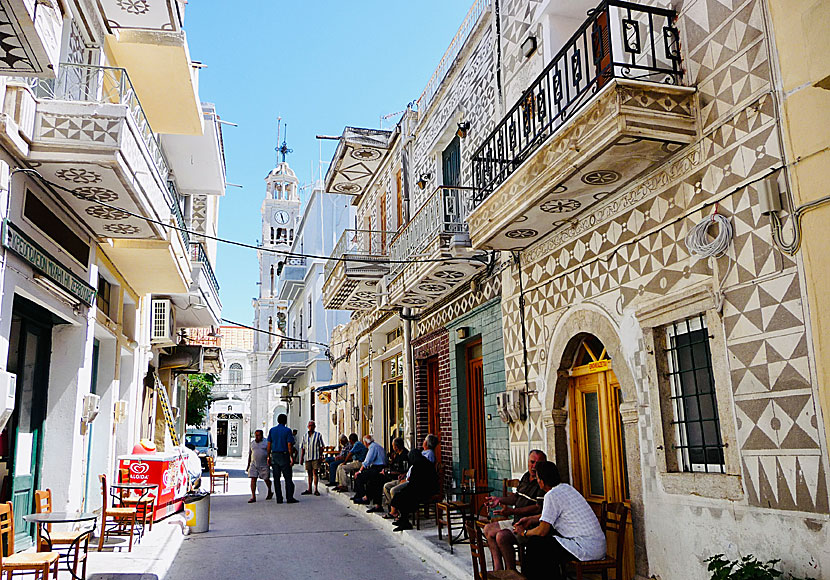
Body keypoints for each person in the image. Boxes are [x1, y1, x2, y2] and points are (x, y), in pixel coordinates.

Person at [514, 461, 606, 580]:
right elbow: (551, 514)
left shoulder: (551, 495)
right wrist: (531, 519)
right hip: (596, 545)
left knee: (536, 544)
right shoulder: (566, 488)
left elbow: (542, 531)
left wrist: (524, 533)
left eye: (537, 478)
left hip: (586, 547)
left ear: (541, 481)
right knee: (544, 546)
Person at [482, 449, 547, 570]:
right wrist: (499, 500)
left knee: (501, 537)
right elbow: (516, 497)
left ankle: (511, 571)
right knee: (488, 529)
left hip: (529, 524)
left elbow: (537, 508)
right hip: (516, 520)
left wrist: (512, 512)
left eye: (538, 463)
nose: (534, 466)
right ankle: (498, 569)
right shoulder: (526, 476)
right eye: (532, 462)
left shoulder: (542, 482)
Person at [386, 434, 439, 520]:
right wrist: (405, 475)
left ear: (427, 443)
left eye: (425, 440)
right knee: (387, 486)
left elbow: (421, 471)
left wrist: (407, 479)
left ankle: (399, 513)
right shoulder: (423, 453)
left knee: (394, 490)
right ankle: (394, 511)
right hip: (407, 478)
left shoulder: (428, 455)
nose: (423, 442)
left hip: (415, 482)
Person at [390, 448, 438, 531]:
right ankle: (403, 519)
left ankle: (405, 522)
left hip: (425, 491)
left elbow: (415, 482)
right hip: (423, 489)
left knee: (403, 497)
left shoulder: (418, 466)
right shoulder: (425, 463)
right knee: (401, 494)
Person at [365, 437, 408, 514]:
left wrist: (388, 472)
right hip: (391, 474)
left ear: (396, 446)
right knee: (373, 478)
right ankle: (377, 503)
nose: (393, 448)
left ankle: (386, 505)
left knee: (378, 480)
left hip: (397, 477)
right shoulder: (397, 455)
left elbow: (402, 471)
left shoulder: (404, 455)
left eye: (393, 446)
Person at [267, 414, 298, 504]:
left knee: (276, 479)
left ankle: (279, 498)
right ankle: (289, 497)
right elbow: (289, 445)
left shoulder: (272, 430)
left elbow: (269, 444)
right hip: (284, 456)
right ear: (285, 421)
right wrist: (291, 457)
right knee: (288, 478)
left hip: (275, 456)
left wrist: (268, 456)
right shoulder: (288, 431)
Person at [351, 435, 387, 504]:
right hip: (379, 467)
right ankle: (360, 495)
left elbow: (367, 461)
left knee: (359, 476)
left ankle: (364, 497)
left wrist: (359, 471)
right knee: (364, 475)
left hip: (378, 468)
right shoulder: (376, 446)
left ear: (366, 442)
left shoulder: (372, 447)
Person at [246, 429, 273, 503]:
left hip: (264, 464)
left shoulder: (266, 442)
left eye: (258, 435)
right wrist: (248, 465)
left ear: (261, 435)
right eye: (256, 435)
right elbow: (250, 454)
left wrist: (270, 460)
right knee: (253, 479)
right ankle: (253, 496)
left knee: (266, 479)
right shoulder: (252, 443)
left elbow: (270, 452)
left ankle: (270, 491)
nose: (257, 437)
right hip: (254, 464)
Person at [299, 420, 325, 496]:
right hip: (308, 457)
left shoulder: (318, 435)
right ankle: (309, 488)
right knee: (309, 473)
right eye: (310, 426)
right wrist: (301, 458)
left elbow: (321, 446)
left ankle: (316, 489)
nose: (311, 427)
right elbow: (303, 447)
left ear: (314, 427)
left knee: (315, 473)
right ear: (308, 427)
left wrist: (320, 456)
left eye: (312, 426)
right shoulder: (305, 436)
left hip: (315, 457)